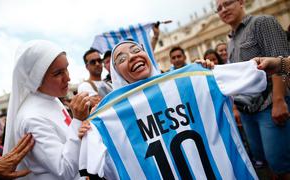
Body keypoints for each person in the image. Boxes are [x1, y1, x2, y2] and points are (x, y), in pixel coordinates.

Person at [78, 40, 267, 179]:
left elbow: (260, 70)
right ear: (116, 73)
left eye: (136, 50)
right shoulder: (107, 119)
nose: (133, 56)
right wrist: (86, 127)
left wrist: (208, 72)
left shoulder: (195, 78)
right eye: (121, 58)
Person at [216, 0, 290, 178]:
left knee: (281, 163)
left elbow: (281, 59)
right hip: (247, 112)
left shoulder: (262, 22)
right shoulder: (231, 42)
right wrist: (235, 107)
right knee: (264, 162)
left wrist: (279, 100)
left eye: (227, 3)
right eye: (218, 8)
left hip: (269, 105)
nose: (223, 10)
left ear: (241, 2)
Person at [3, 40, 87, 180]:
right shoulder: (31, 117)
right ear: (37, 78)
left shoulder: (51, 98)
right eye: (58, 73)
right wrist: (77, 120)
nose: (68, 78)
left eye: (66, 68)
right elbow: (64, 169)